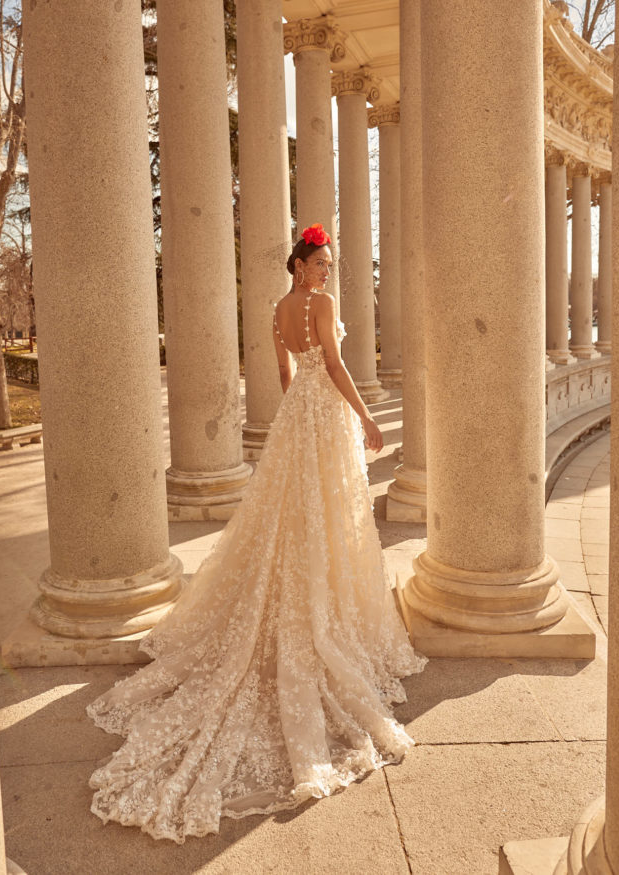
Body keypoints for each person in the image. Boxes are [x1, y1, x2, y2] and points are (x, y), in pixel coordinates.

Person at [86, 223, 427, 844]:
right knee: (327, 512)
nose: (326, 273)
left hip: (299, 415)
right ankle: (325, 607)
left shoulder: (277, 308)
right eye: (319, 264)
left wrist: (299, 419)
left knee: (299, 513)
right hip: (324, 414)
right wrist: (365, 415)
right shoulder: (320, 306)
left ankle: (312, 585)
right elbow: (339, 365)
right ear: (300, 264)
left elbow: (284, 373)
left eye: (328, 266)